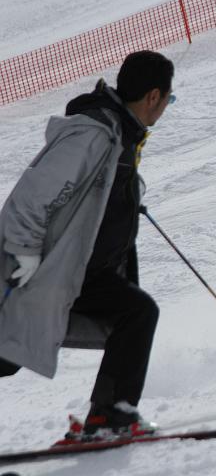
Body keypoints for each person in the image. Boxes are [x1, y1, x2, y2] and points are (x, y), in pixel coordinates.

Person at [0, 50, 175, 440]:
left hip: (82, 275)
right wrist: (23, 250)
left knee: (135, 315)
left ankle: (109, 416)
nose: (166, 107)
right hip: (42, 269)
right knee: (5, 354)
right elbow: (34, 195)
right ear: (153, 97)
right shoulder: (94, 133)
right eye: (169, 99)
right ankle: (109, 417)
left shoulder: (120, 135)